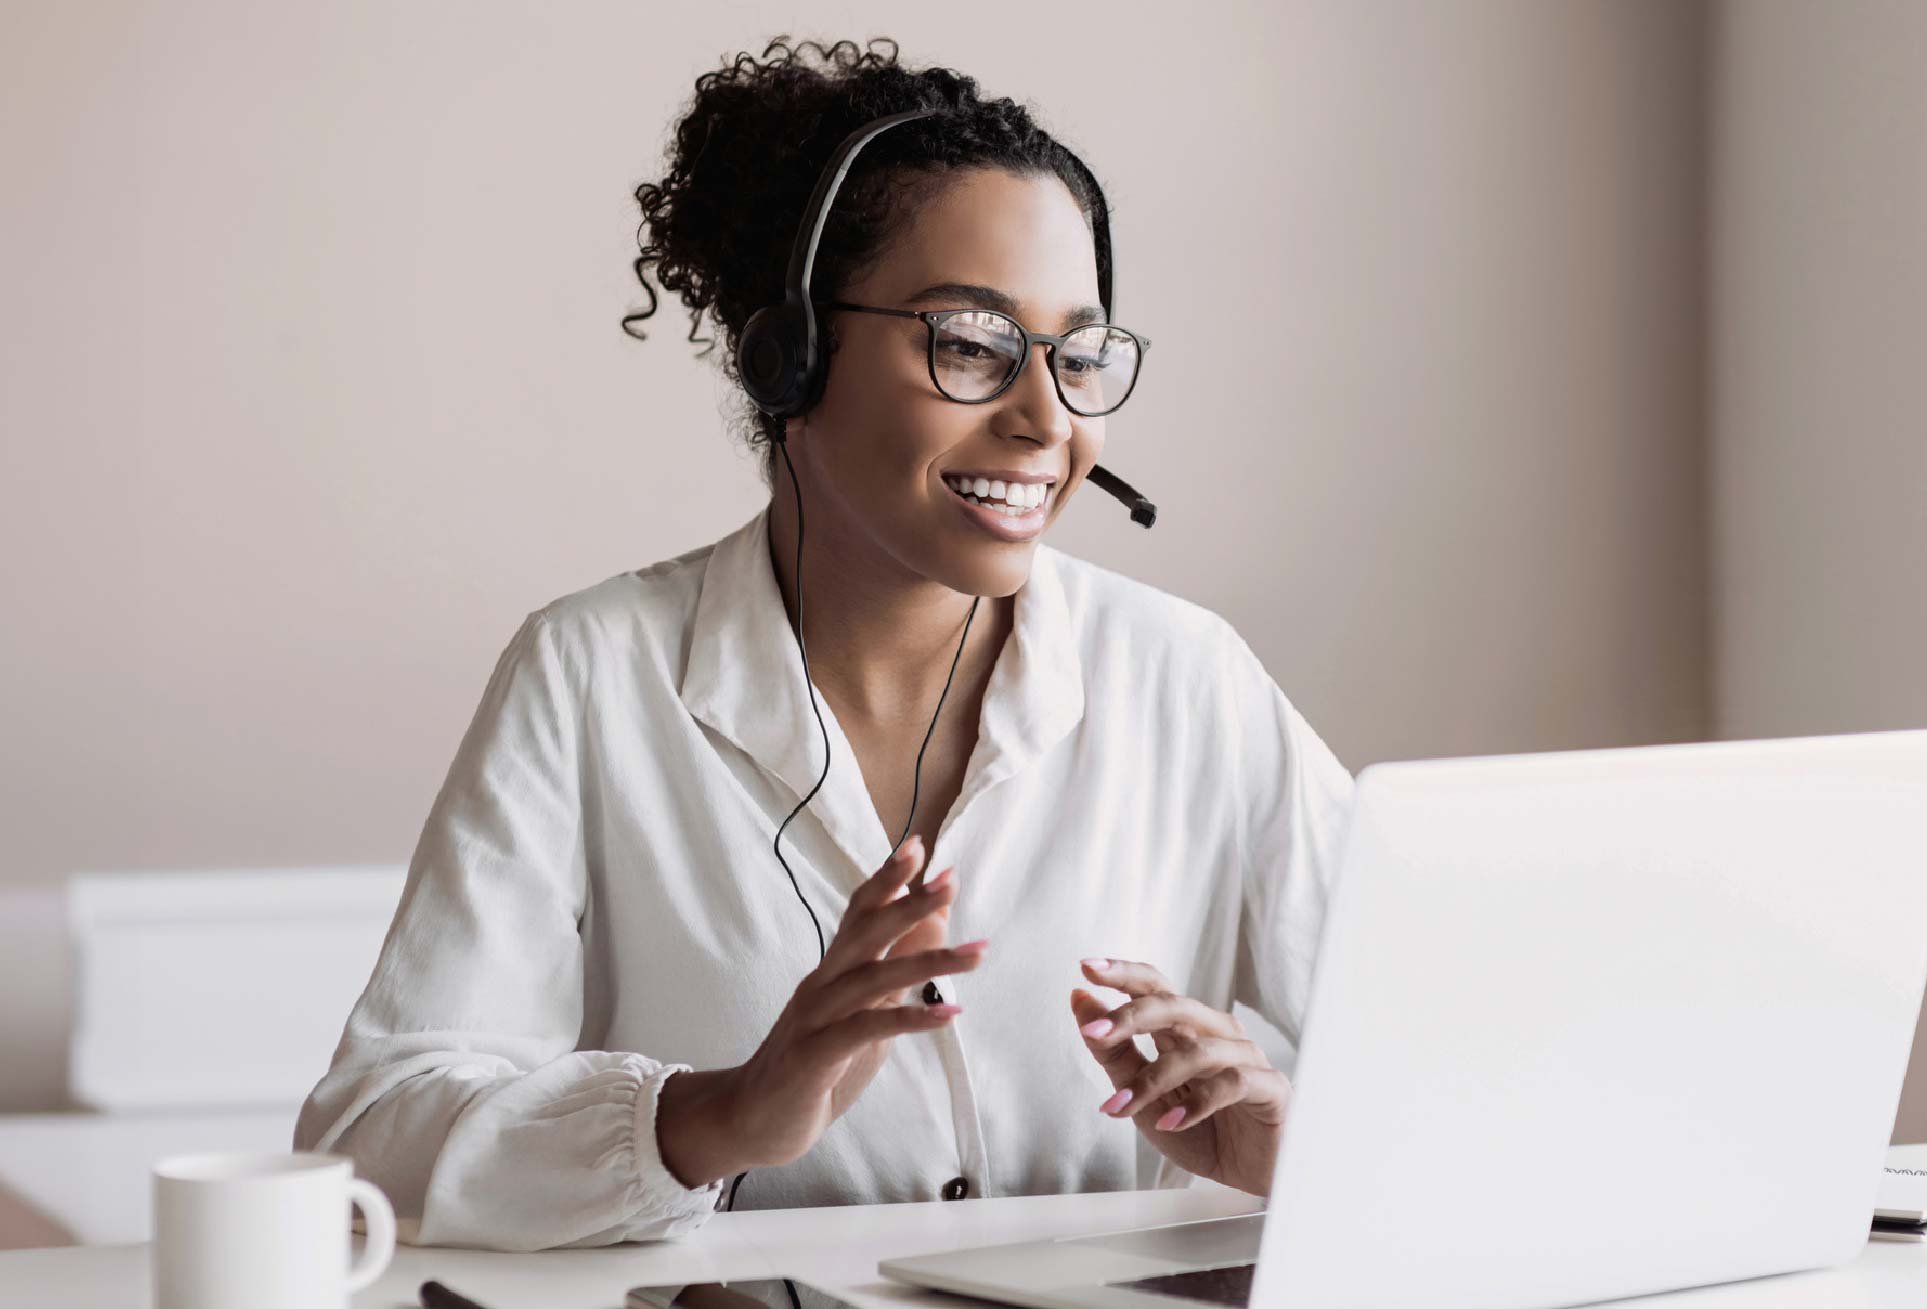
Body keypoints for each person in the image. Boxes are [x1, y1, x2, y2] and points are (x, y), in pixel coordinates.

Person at [292, 36, 1351, 1252]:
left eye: (1078, 356)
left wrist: (1294, 1138)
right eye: (971, 343)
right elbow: (371, 1139)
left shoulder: (1186, 677)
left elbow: (1475, 1067)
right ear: (789, 353)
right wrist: (714, 1115)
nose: (1045, 421)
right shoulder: (593, 674)